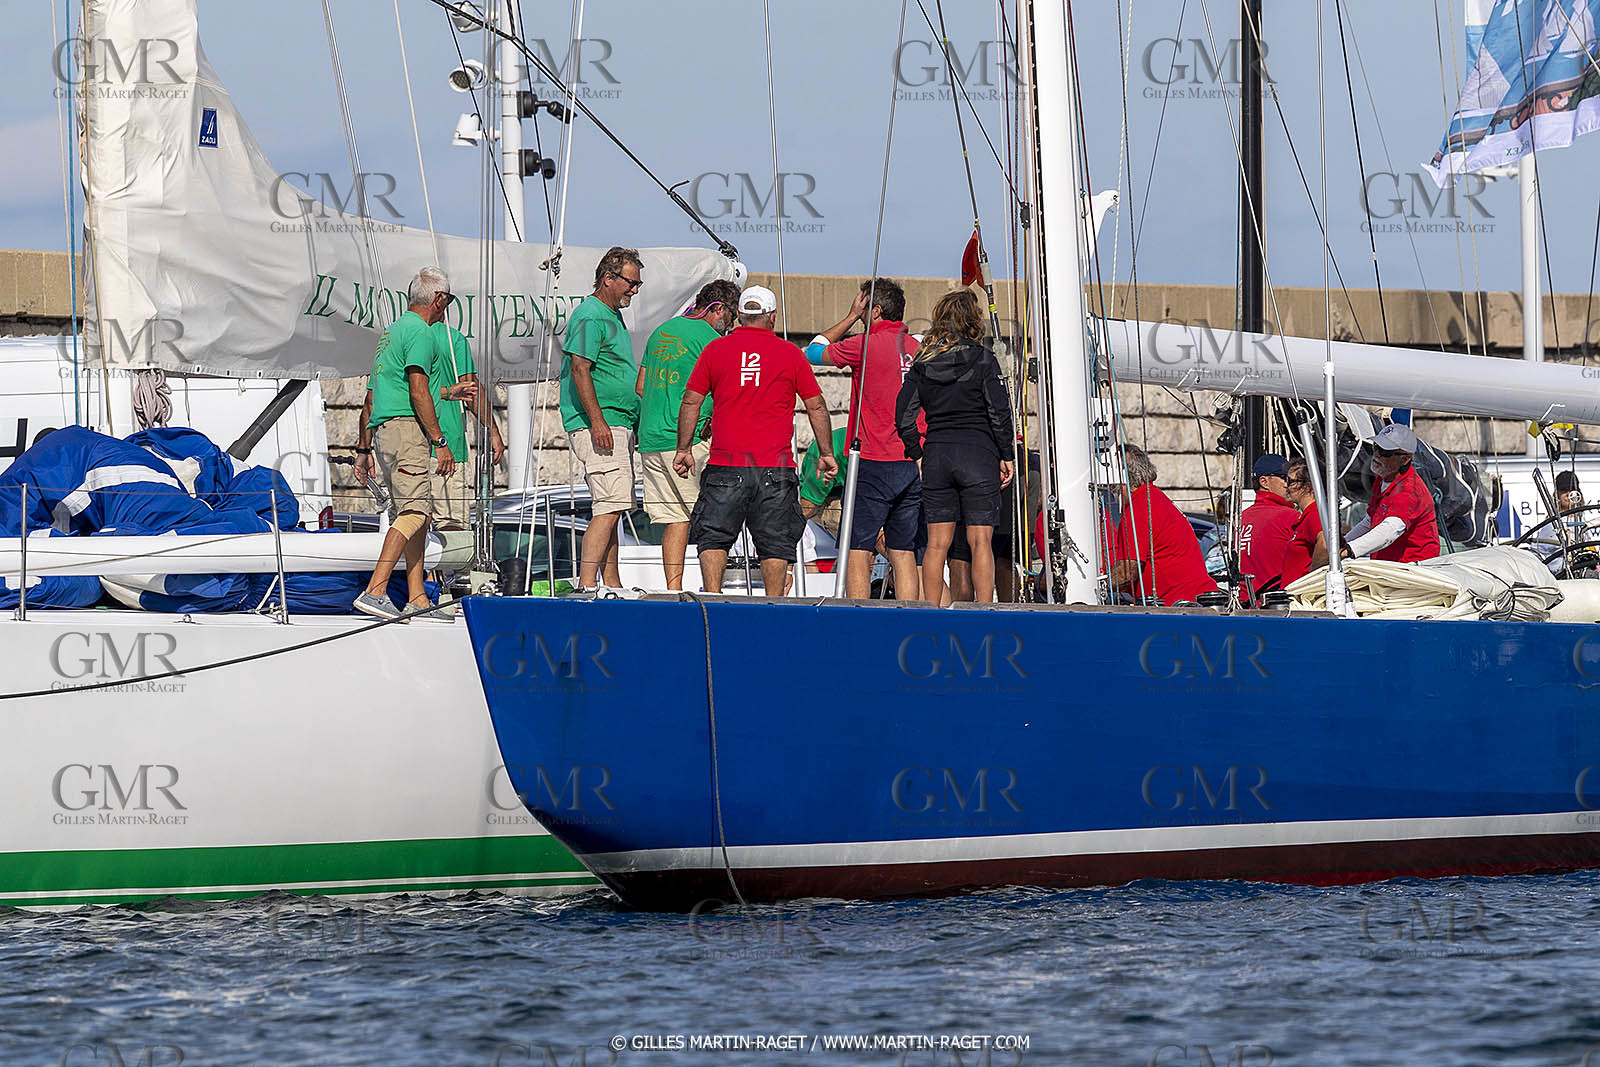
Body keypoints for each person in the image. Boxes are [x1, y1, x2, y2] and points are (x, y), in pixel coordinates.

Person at [677, 285, 837, 595]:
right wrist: (826, 453)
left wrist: (684, 448)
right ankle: (773, 605)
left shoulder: (716, 349)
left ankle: (712, 598)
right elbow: (816, 406)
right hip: (774, 467)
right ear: (772, 317)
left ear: (738, 315)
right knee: (775, 542)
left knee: (714, 536)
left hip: (726, 465)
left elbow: (691, 400)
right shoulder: (789, 353)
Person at [894, 289, 1014, 605]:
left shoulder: (923, 362)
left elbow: (903, 416)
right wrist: (1006, 454)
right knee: (981, 541)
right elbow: (999, 412)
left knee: (936, 545)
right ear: (972, 320)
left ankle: (933, 611)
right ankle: (985, 609)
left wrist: (917, 453)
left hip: (937, 454)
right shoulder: (983, 359)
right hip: (978, 455)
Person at [352, 266, 457, 621]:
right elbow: (419, 390)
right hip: (407, 430)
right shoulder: (421, 332)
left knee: (415, 516)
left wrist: (363, 449)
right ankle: (376, 589)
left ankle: (418, 598)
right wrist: (440, 440)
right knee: (415, 513)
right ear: (439, 299)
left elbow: (370, 399)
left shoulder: (391, 333)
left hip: (385, 432)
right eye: (449, 300)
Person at [807, 278, 922, 600]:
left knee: (858, 546)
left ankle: (860, 614)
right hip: (912, 461)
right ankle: (909, 614)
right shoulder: (918, 349)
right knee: (903, 550)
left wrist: (850, 317)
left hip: (873, 459)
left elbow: (814, 351)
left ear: (876, 310)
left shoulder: (864, 345)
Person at [635, 279, 741, 589]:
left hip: (651, 440)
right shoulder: (711, 340)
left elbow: (641, 387)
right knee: (712, 519)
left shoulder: (662, 331)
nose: (731, 324)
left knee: (676, 519)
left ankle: (673, 590)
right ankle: (713, 591)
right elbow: (726, 393)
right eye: (732, 316)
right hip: (687, 442)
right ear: (718, 308)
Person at [561, 246, 644, 590]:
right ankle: (586, 585)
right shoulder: (590, 315)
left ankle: (612, 583)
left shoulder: (611, 315)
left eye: (638, 284)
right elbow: (580, 368)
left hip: (616, 423)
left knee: (614, 505)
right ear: (608, 278)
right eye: (631, 283)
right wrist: (597, 421)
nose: (634, 290)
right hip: (601, 424)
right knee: (609, 506)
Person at [1106, 444, 1219, 605]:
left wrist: (1096, 588)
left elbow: (1127, 572)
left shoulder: (1139, 507)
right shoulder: (1154, 498)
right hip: (1190, 599)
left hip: (1177, 606)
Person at [426, 321, 505, 530]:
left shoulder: (396, 335)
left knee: (412, 519)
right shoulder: (451, 339)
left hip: (406, 445)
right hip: (447, 443)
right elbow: (471, 390)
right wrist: (492, 430)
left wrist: (365, 446)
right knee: (451, 525)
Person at [1338, 423, 1440, 563]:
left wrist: (1350, 550)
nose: (1377, 455)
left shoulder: (1410, 490)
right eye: (1376, 447)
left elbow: (1390, 529)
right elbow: (1370, 520)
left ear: (1405, 459)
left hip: (1413, 568)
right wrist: (1344, 543)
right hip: (1389, 566)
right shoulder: (1383, 478)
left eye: (1385, 452)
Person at [1237, 453, 1299, 600]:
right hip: (1279, 604)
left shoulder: (1241, 518)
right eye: (1285, 478)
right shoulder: (1290, 517)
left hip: (1244, 605)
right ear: (1264, 482)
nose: (1291, 484)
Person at [1280, 458, 1327, 586]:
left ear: (1308, 486)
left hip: (1302, 595)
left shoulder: (1315, 513)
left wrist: (1310, 581)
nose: (1285, 485)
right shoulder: (1308, 515)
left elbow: (1325, 544)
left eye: (1290, 481)